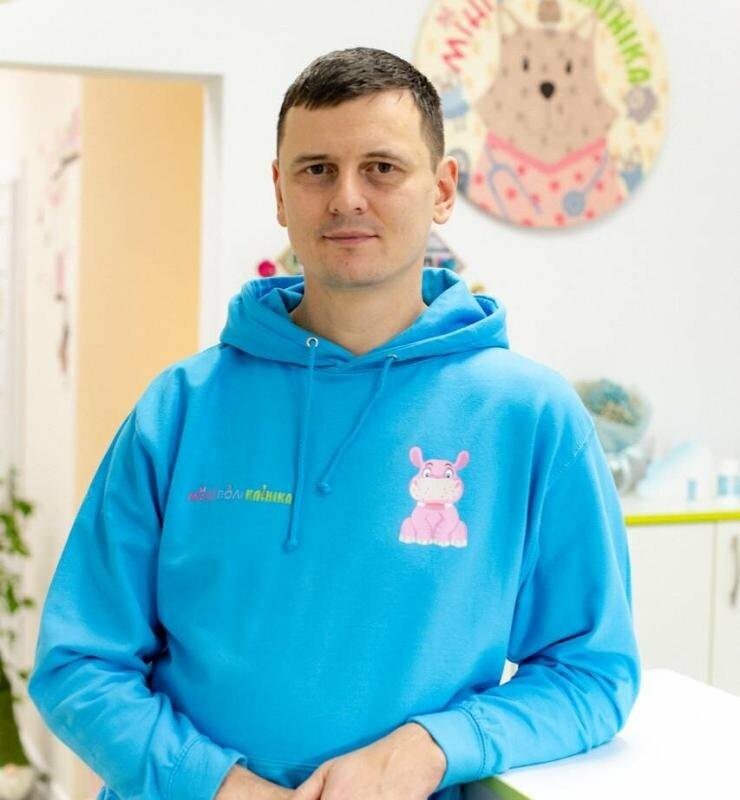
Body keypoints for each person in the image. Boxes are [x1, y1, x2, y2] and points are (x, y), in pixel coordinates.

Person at [28, 47, 640, 800]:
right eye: (317, 169)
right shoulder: (180, 407)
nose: (347, 198)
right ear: (280, 193)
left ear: (442, 190)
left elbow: (591, 674)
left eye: (382, 168)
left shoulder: (532, 418)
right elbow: (79, 664)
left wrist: (433, 747)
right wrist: (218, 786)